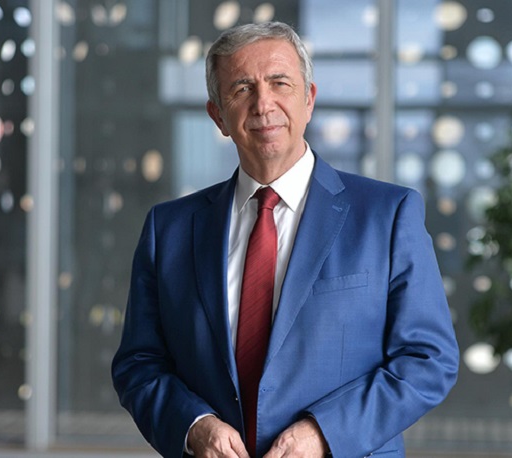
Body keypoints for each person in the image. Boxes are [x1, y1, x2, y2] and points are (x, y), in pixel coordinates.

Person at [112, 21, 458, 458]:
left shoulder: (388, 215)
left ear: (308, 99)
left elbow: (428, 359)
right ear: (218, 116)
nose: (263, 104)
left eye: (280, 83)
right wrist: (194, 426)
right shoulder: (169, 229)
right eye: (242, 89)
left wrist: (324, 434)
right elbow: (139, 363)